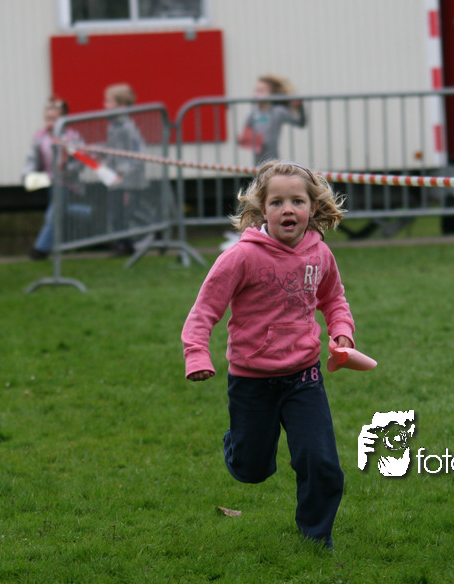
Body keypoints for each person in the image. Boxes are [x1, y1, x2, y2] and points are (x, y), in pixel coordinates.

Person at [181, 160, 355, 549]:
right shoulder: (241, 257)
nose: (287, 209)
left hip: (304, 377)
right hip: (252, 380)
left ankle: (315, 537)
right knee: (252, 469)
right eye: (277, 202)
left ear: (312, 207)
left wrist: (342, 332)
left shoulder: (320, 254)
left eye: (297, 201)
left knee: (321, 463)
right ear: (262, 209)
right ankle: (238, 443)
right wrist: (197, 355)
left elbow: (334, 299)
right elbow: (204, 310)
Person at [23, 96, 83, 260]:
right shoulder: (40, 136)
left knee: (53, 214)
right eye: (47, 119)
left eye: (54, 119)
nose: (50, 123)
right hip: (49, 182)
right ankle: (93, 215)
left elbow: (79, 161)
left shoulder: (71, 137)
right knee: (60, 211)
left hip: (66, 183)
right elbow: (32, 158)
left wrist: (68, 169)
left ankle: (40, 249)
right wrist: (28, 173)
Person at [102, 83, 147, 255]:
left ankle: (127, 244)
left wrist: (124, 171)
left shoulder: (128, 128)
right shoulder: (113, 126)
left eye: (109, 101)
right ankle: (123, 244)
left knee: (126, 213)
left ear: (121, 105)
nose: (105, 105)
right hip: (116, 179)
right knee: (117, 213)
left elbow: (139, 153)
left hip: (127, 181)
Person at [238, 75, 306, 167]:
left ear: (271, 94)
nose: (256, 94)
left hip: (273, 162)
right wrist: (241, 139)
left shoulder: (278, 112)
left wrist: (299, 106)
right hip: (257, 163)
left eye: (261, 91)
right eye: (256, 90)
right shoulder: (253, 114)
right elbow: (245, 135)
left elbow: (300, 122)